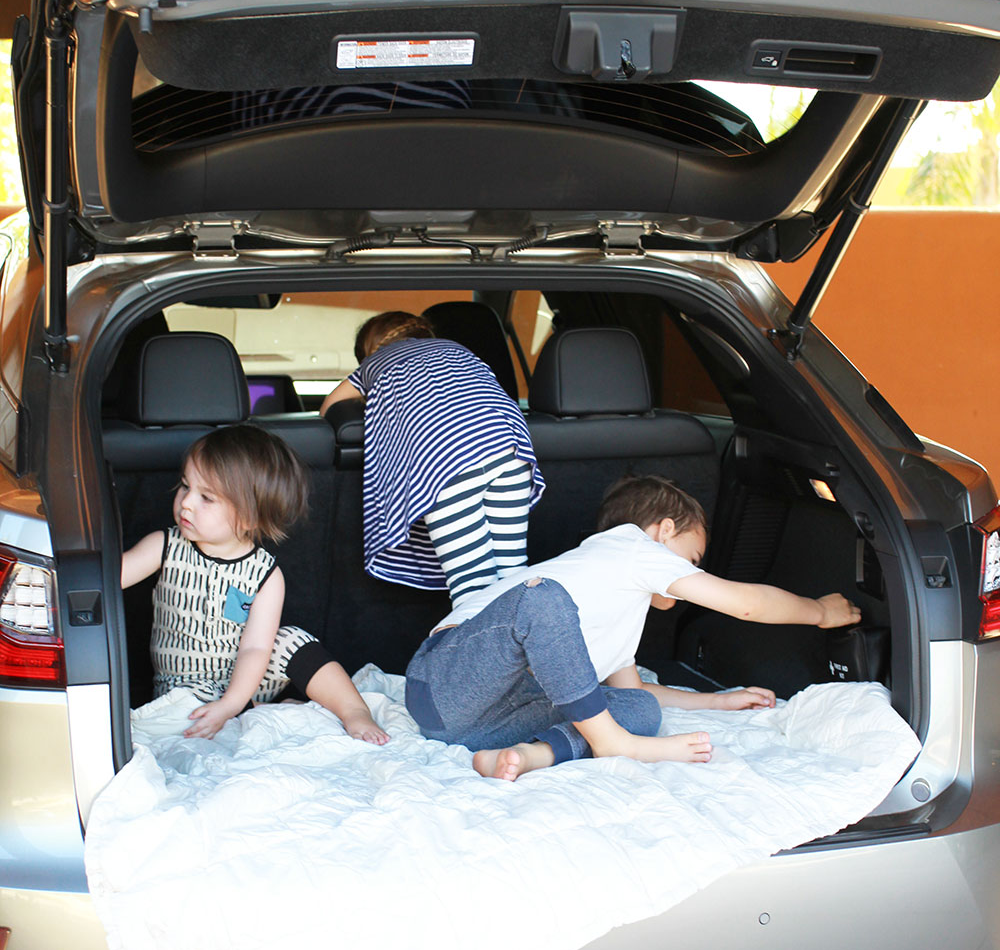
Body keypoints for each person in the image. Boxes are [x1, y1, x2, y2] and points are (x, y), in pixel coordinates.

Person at [405, 474, 861, 780]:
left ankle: (530, 756)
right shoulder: (632, 548)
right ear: (663, 532)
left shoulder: (619, 606)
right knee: (542, 599)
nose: (691, 574)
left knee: (640, 708)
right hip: (445, 682)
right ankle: (612, 743)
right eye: (693, 559)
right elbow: (743, 603)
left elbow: (629, 688)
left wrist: (718, 702)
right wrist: (819, 611)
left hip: (484, 726)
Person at [121, 423, 388, 744]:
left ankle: (352, 710)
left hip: (245, 679)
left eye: (206, 497)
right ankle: (259, 710)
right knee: (175, 721)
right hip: (184, 690)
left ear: (249, 517)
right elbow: (110, 579)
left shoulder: (265, 574)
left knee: (291, 640)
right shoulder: (164, 545)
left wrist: (231, 703)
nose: (186, 502)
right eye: (184, 486)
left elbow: (255, 648)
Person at [320, 311, 544, 600]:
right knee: (514, 572)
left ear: (369, 349)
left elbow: (329, 408)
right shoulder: (457, 350)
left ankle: (483, 644)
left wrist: (373, 398)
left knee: (473, 587)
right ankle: (528, 641)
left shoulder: (376, 363)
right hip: (510, 446)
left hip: (446, 456)